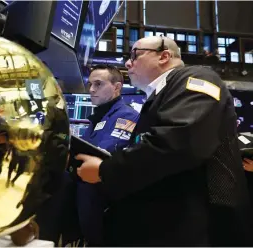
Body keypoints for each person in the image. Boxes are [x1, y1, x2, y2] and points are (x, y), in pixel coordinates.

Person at [76, 36, 252, 246]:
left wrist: (106, 170)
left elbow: (180, 140)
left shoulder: (197, 78)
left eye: (135, 54)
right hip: (170, 226)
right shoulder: (161, 95)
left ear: (164, 56)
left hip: (199, 230)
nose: (127, 63)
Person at [76, 64, 140, 246]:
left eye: (98, 84)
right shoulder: (99, 117)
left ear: (117, 87)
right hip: (88, 197)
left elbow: (104, 153)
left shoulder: (126, 116)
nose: (91, 89)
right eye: (90, 84)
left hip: (104, 200)